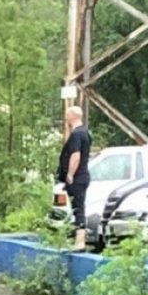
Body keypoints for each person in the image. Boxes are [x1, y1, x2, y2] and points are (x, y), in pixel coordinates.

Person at [57, 105, 92, 251]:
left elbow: (75, 155)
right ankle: (75, 239)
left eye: (67, 115)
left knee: (78, 208)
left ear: (72, 116)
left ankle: (80, 242)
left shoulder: (77, 134)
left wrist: (70, 174)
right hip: (81, 176)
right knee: (74, 207)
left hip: (77, 177)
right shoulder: (85, 133)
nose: (65, 118)